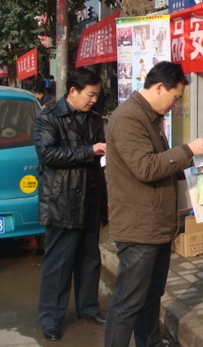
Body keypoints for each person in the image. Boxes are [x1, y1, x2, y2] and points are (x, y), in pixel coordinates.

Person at [104, 61, 203, 347]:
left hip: (155, 225)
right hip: (138, 229)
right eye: (175, 97)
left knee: (151, 296)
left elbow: (160, 166)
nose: (175, 105)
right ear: (160, 87)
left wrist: (201, 168)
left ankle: (150, 342)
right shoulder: (128, 118)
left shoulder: (149, 116)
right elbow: (146, 167)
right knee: (128, 302)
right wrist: (187, 150)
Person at [34, 67, 108, 342]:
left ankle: (88, 308)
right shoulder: (49, 117)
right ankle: (51, 319)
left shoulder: (94, 118)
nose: (94, 100)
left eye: (97, 95)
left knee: (89, 259)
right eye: (90, 95)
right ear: (73, 91)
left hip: (91, 197)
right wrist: (89, 150)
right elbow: (47, 154)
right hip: (62, 200)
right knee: (59, 263)